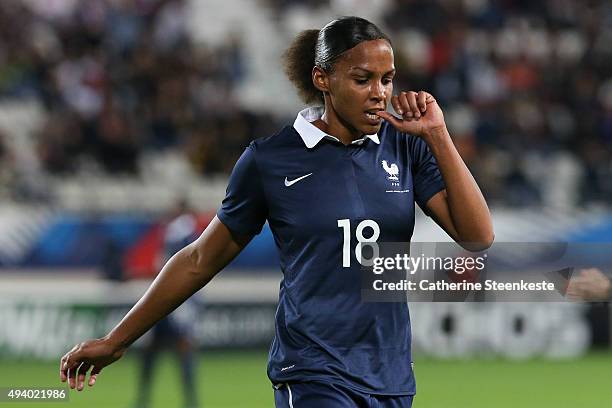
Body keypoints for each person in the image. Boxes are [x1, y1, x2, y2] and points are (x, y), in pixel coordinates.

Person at [60, 16, 494, 407]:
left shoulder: (404, 145)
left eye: (387, 79)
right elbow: (198, 259)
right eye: (364, 79)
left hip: (391, 377)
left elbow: (478, 236)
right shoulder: (271, 160)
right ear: (322, 78)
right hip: (312, 374)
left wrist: (438, 134)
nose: (380, 94)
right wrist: (116, 340)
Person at [133, 200, 200, 408]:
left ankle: (144, 400)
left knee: (160, 350)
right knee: (176, 350)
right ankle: (190, 402)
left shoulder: (179, 230)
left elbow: (173, 268)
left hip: (173, 302)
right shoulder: (185, 232)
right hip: (177, 302)